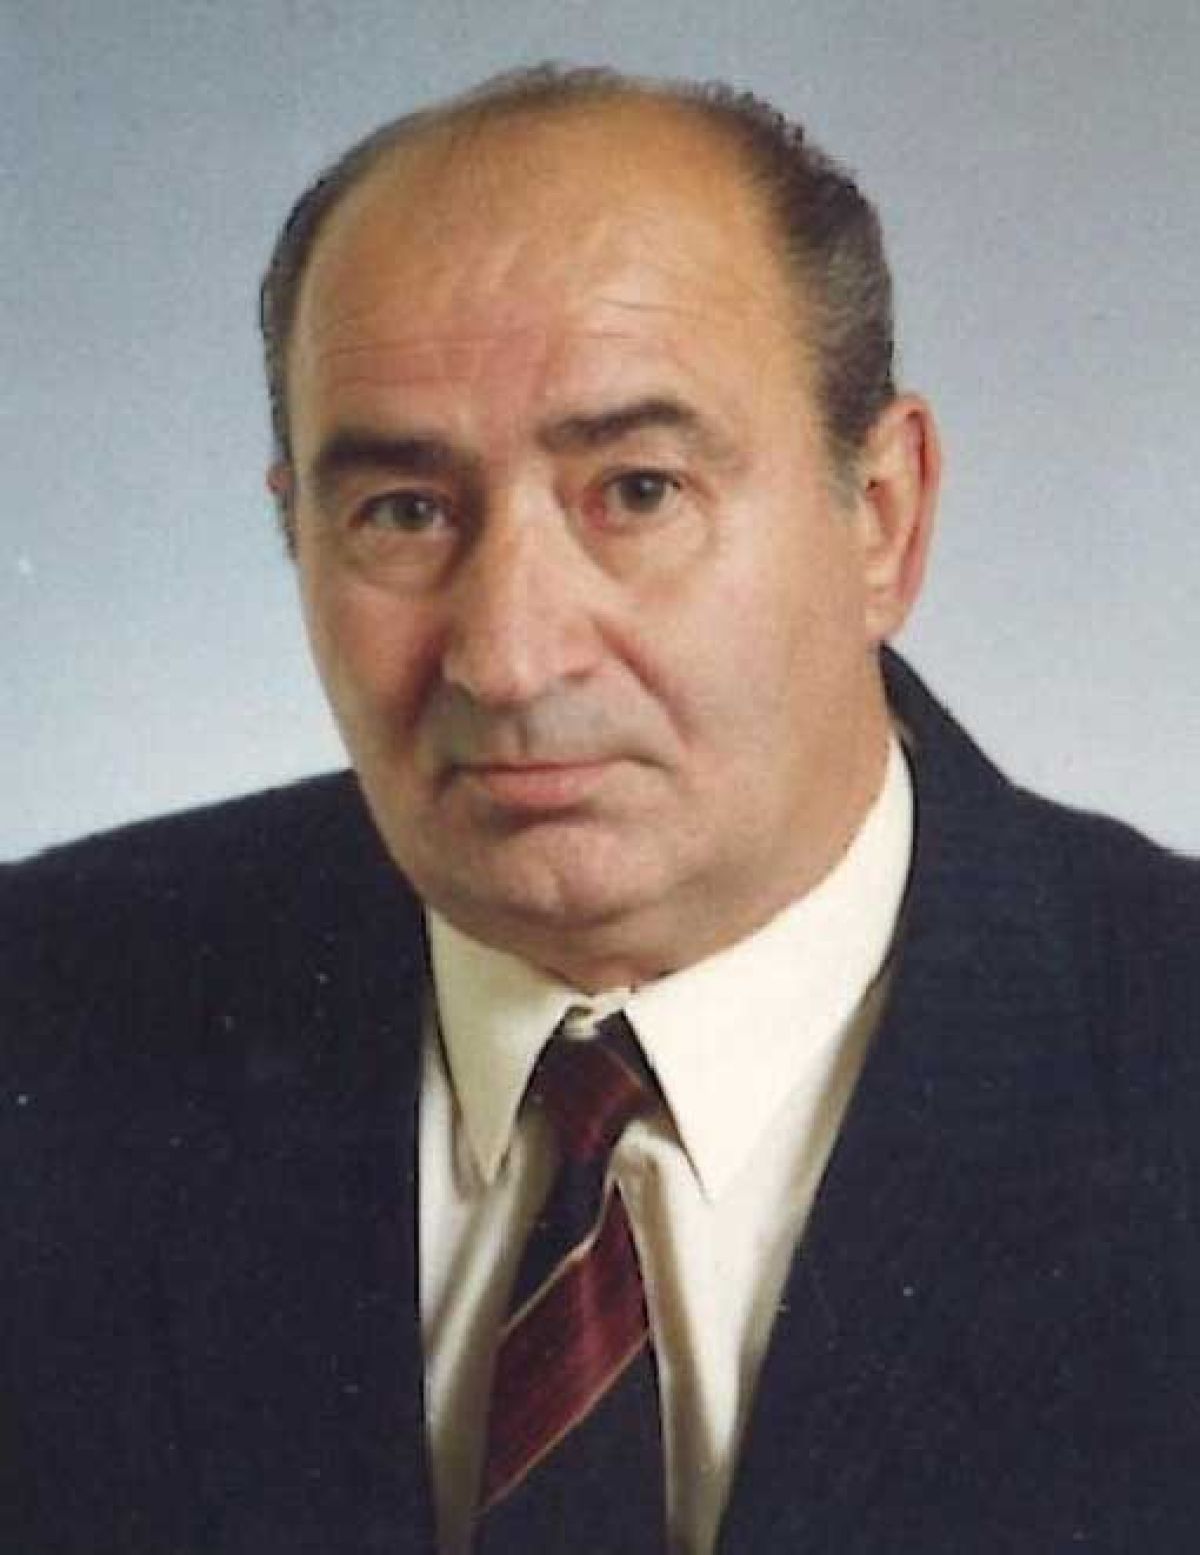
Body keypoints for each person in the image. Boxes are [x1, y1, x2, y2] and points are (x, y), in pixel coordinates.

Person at [3, 64, 1198, 1555]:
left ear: (882, 520)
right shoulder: (38, 1015)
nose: (509, 658)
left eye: (637, 490)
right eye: (404, 512)